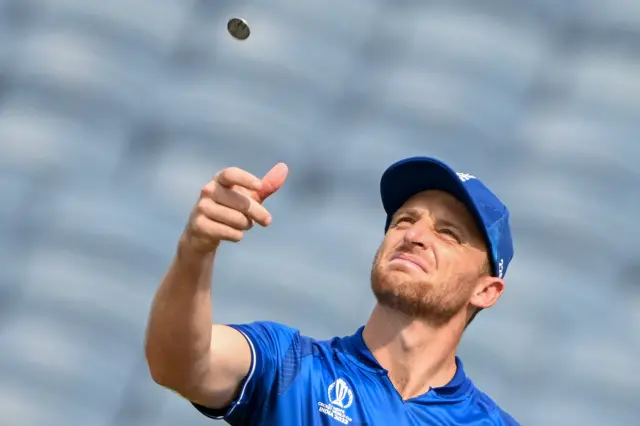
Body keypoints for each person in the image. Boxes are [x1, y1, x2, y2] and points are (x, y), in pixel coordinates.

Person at [144, 156, 520, 425]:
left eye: (448, 234)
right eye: (404, 220)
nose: (414, 236)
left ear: (487, 290)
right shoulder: (291, 366)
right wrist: (195, 250)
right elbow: (178, 365)